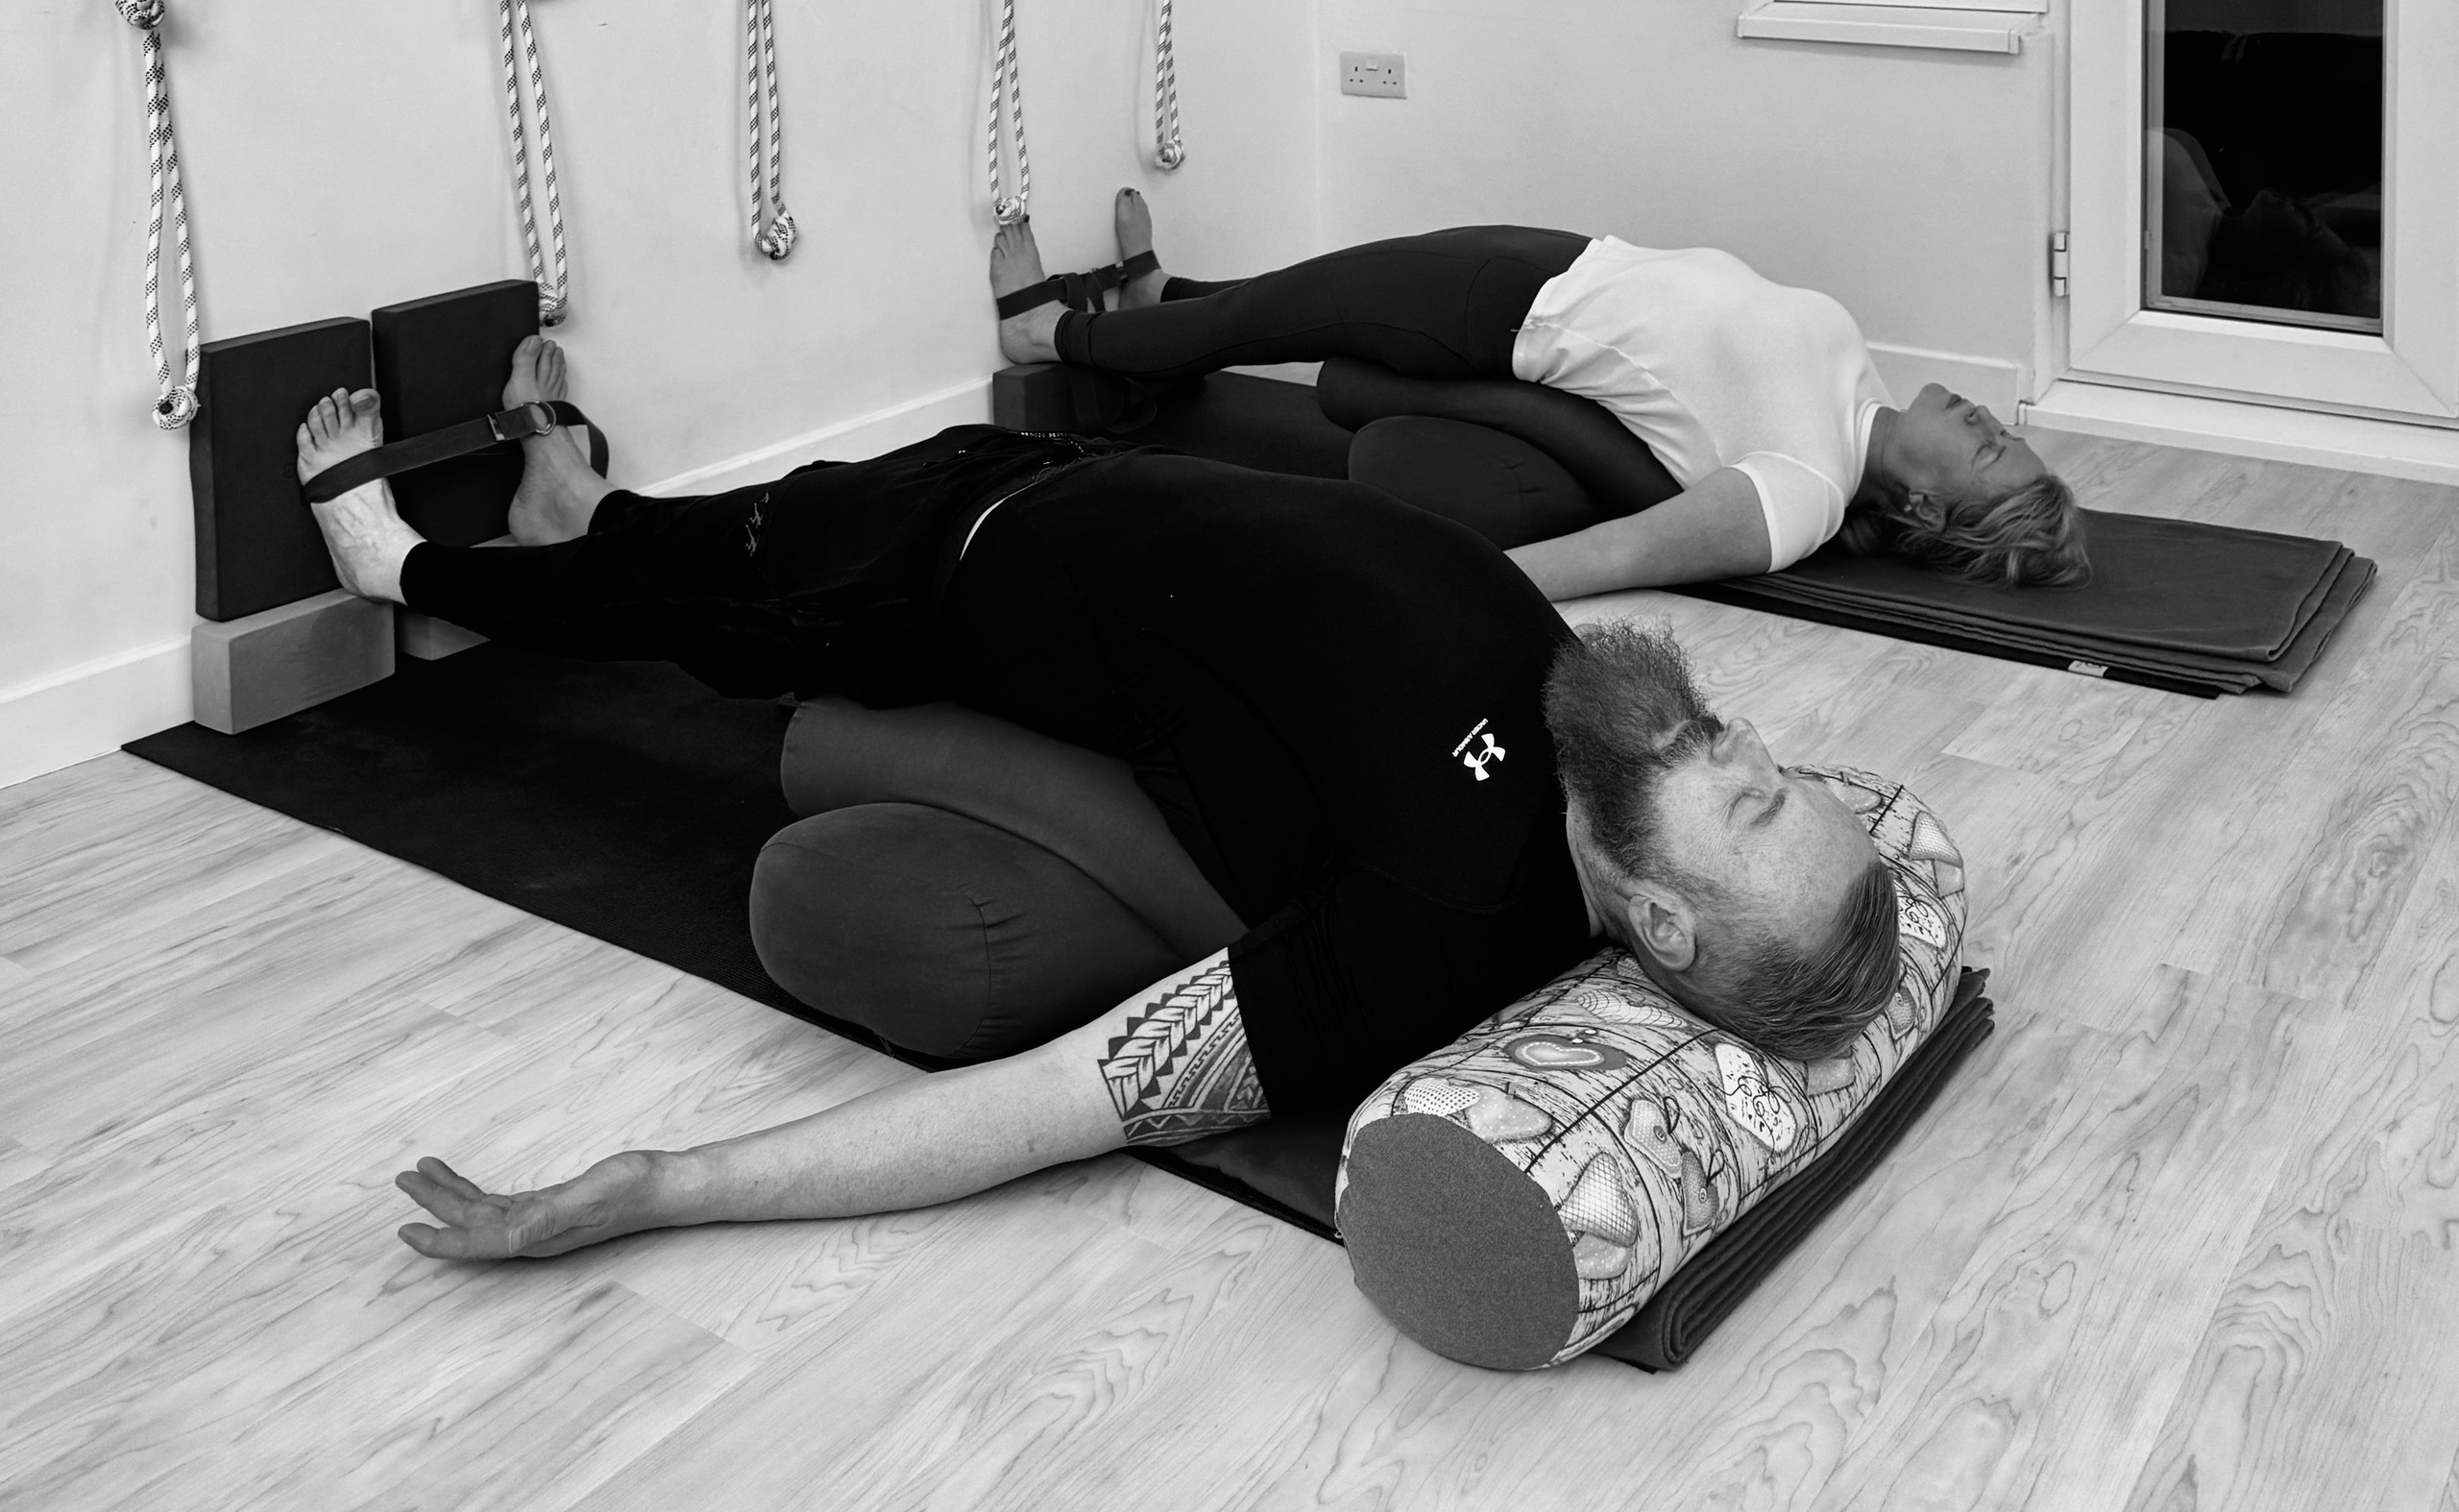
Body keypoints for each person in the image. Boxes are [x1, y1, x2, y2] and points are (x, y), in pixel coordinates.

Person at [296, 338, 1898, 1261]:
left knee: (705, 595)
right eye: (1786, 779)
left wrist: (657, 1186)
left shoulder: (1441, 913)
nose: (1757, 757)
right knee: (698, 539)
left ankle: (408, 575)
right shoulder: (1592, 738)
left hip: (940, 579)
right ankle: (574, 511)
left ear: (1663, 912)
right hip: (1044, 470)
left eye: (1758, 812)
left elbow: (1063, 1095)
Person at [995, 192, 2090, 598]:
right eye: (2008, 436)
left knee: (1280, 317)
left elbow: (1613, 556)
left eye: (1994, 456)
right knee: (1289, 300)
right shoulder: (1866, 396)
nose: (1995, 426)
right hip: (1565, 257)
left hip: (1506, 313)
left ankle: (1055, 331)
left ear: (1929, 511)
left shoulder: (1802, 492)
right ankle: (1157, 297)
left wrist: (1437, 593)